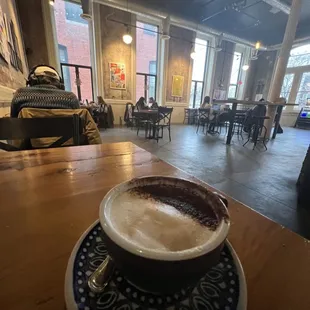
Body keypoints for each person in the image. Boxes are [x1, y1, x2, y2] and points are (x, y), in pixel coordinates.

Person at [10, 64, 80, 117]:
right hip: (67, 136)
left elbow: (14, 125)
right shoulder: (70, 98)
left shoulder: (20, 95)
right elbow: (80, 125)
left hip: (29, 136)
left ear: (32, 80)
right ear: (60, 83)